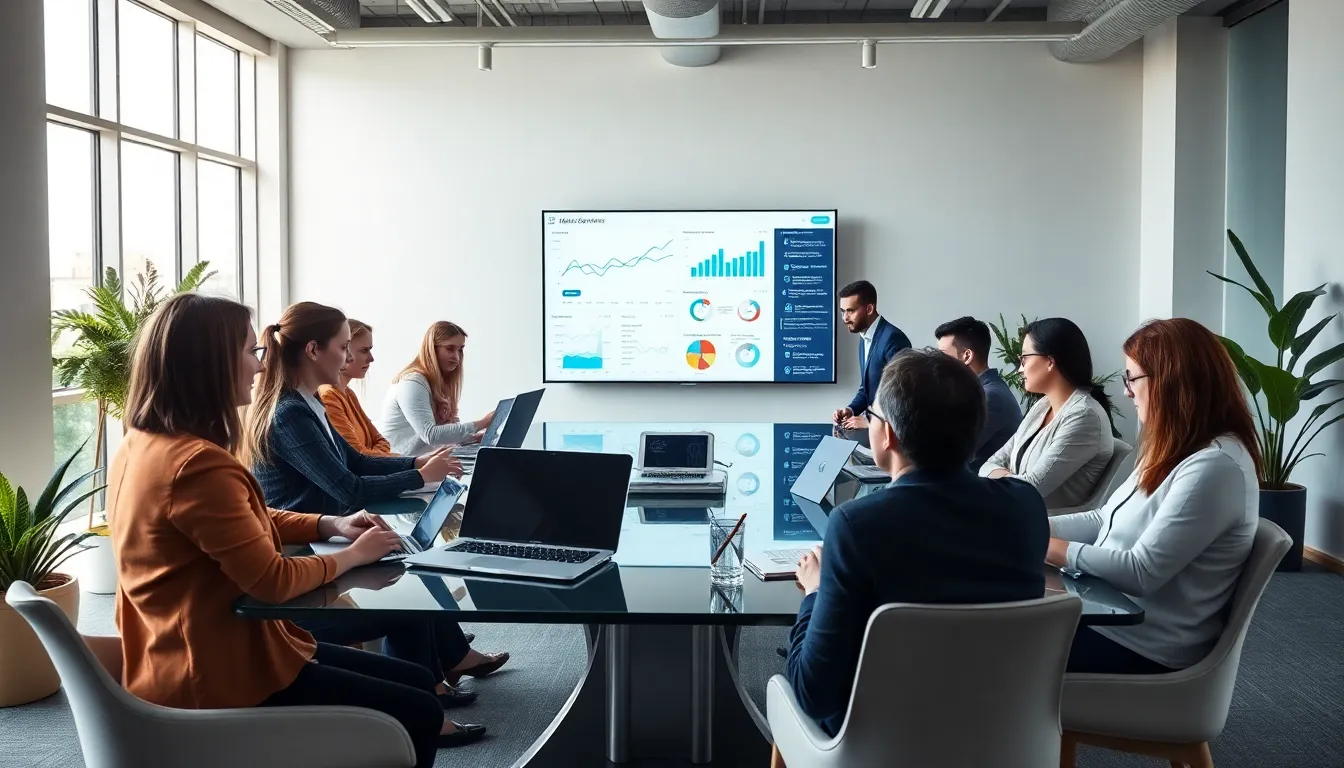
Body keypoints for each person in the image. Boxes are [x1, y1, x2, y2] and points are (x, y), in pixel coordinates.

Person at [107, 293, 485, 768]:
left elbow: (254, 516)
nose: (260, 366)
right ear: (211, 365)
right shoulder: (199, 465)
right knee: (418, 707)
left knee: (412, 684)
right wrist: (352, 555)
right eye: (250, 352)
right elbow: (271, 581)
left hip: (193, 651)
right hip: (219, 670)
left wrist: (330, 524)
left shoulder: (142, 447)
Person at [246, 301, 510, 708]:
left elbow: (358, 460)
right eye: (345, 347)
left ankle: (440, 675)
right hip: (301, 546)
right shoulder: (289, 415)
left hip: (325, 532)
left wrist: (417, 464)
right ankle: (429, 692)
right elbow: (347, 485)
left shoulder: (309, 403)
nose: (351, 357)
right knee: (409, 581)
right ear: (314, 350)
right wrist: (420, 476)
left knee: (411, 560)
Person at [789, 349, 1049, 736]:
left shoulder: (857, 525)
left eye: (873, 417)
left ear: (888, 433)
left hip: (878, 740)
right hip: (1001, 732)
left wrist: (815, 590)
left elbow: (815, 694)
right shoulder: (1026, 507)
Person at [1048, 318, 1262, 674]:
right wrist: (1026, 522)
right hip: (1107, 616)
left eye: (1132, 378)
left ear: (1173, 381)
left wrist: (1038, 541)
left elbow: (1141, 571)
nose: (1127, 391)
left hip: (1141, 648)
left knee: (994, 646)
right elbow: (1103, 519)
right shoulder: (1176, 447)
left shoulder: (1216, 466)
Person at [979, 317, 1115, 508]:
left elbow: (1030, 489)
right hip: (1014, 512)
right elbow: (989, 464)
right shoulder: (1042, 406)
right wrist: (1015, 479)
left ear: (1050, 361)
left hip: (1044, 526)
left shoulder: (1084, 416)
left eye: (1024, 358)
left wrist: (1006, 477)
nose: (1019, 369)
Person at [381, 321, 495, 457]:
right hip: (401, 468)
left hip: (423, 465)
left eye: (460, 349)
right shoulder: (412, 383)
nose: (457, 357)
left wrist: (472, 438)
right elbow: (430, 435)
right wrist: (483, 423)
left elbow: (440, 437)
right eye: (450, 349)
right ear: (432, 349)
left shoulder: (437, 382)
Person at [935, 316, 1023, 469]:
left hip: (981, 488)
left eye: (942, 355)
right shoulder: (979, 391)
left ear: (967, 356)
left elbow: (948, 453)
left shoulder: (989, 397)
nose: (937, 363)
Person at [831, 280, 911, 430]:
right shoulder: (864, 338)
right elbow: (868, 387)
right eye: (843, 311)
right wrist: (850, 410)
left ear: (869, 308)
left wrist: (871, 423)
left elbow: (903, 395)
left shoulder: (893, 339)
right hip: (874, 433)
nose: (845, 318)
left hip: (891, 436)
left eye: (850, 311)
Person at [319, 319, 393, 456]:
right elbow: (357, 456)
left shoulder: (348, 393)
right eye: (364, 351)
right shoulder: (328, 396)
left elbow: (382, 441)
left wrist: (376, 454)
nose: (371, 358)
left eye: (370, 350)